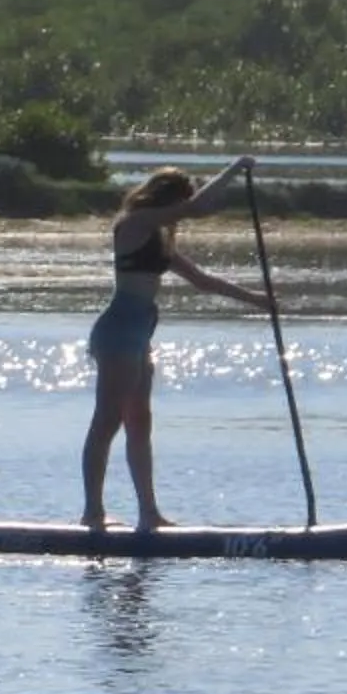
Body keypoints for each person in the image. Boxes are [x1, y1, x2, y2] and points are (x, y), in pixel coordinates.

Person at [81, 154, 273, 534]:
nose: (182, 215)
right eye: (179, 204)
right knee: (108, 421)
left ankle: (148, 514)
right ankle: (92, 513)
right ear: (166, 199)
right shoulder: (134, 224)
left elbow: (204, 281)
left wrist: (260, 302)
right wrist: (235, 169)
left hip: (139, 336)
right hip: (118, 331)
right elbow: (200, 207)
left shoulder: (160, 240)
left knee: (139, 423)